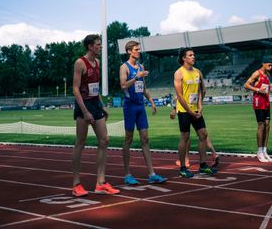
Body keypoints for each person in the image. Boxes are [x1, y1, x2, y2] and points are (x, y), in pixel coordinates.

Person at [72, 34, 120, 196]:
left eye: (100, 44)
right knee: (80, 143)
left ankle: (100, 182)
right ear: (90, 46)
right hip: (83, 106)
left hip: (95, 104)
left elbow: (95, 87)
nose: (100, 47)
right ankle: (76, 184)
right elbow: (76, 89)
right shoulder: (80, 63)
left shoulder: (98, 63)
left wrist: (102, 105)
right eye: (98, 45)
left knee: (104, 140)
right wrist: (85, 111)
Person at [120, 40, 167, 185]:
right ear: (129, 51)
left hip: (140, 107)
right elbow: (123, 85)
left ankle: (151, 174)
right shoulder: (124, 67)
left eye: (139, 49)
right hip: (130, 107)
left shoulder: (141, 66)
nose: (138, 51)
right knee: (128, 139)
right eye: (136, 49)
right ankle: (127, 174)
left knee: (145, 139)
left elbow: (144, 88)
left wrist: (151, 101)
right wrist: (136, 76)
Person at [174, 48, 215, 178]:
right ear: (183, 58)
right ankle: (182, 168)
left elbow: (201, 90)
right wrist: (190, 111)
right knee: (185, 138)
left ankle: (203, 165)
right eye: (190, 55)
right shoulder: (179, 73)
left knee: (203, 134)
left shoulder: (198, 72)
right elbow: (179, 96)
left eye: (193, 55)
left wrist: (200, 106)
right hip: (184, 110)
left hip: (196, 110)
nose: (193, 57)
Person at [170, 97, 219, 169]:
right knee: (203, 134)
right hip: (195, 107)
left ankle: (186, 159)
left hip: (186, 110)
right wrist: (200, 105)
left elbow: (180, 96)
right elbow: (203, 91)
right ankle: (214, 153)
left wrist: (174, 109)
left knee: (186, 136)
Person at [244, 59, 272, 163]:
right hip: (258, 102)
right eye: (269, 64)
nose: (271, 66)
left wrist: (271, 88)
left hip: (266, 101)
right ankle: (259, 151)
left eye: (271, 64)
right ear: (263, 64)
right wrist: (257, 90)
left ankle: (265, 151)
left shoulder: (268, 75)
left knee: (268, 125)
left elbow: (267, 87)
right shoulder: (257, 73)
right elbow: (246, 85)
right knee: (261, 125)